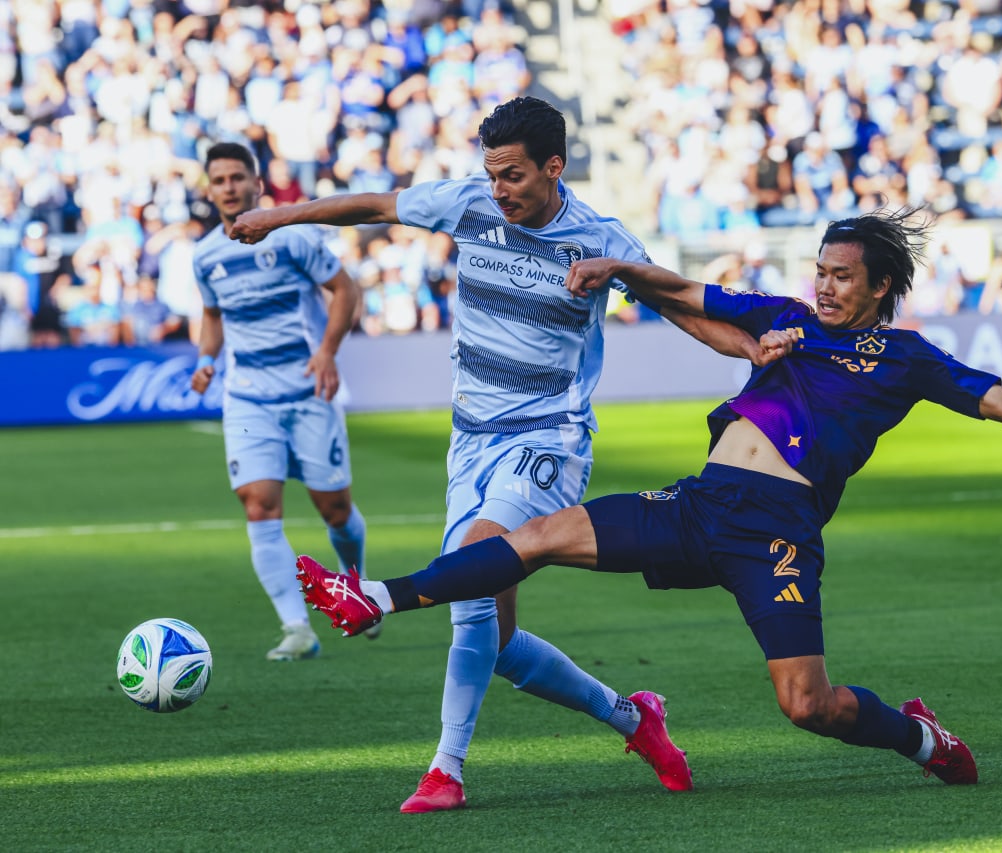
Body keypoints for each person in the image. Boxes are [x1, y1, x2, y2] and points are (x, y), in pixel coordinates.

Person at [296, 208, 1002, 790]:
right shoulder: (779, 315)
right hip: (699, 504)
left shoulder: (905, 357)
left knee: (808, 706)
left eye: (840, 275)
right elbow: (683, 291)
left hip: (778, 537)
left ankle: (918, 737)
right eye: (821, 270)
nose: (824, 284)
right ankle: (377, 593)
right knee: (536, 536)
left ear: (876, 288)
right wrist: (615, 265)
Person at [229, 97, 774, 812]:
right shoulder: (467, 205)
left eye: (513, 175)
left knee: (475, 578)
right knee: (495, 634)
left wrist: (757, 349)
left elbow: (684, 310)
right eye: (491, 175)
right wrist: (279, 215)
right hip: (471, 443)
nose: (499, 190)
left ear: (554, 167)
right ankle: (633, 716)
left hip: (547, 439)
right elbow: (378, 203)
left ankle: (445, 769)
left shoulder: (598, 241)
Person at [190, 141, 372, 661]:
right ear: (210, 189)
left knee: (334, 510)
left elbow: (346, 289)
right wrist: (207, 358)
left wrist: (328, 352)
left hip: (308, 390)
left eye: (236, 178)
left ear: (256, 184)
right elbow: (213, 316)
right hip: (248, 399)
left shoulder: (293, 240)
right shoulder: (205, 255)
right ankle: (298, 629)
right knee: (259, 505)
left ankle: (357, 588)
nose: (228, 187)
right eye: (219, 179)